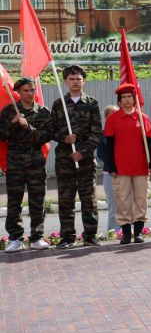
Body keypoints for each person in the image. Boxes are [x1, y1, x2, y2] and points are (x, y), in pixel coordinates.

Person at [51, 65, 102, 248]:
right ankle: (67, 237)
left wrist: (83, 152)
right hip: (65, 159)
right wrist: (65, 138)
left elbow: (97, 133)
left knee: (88, 199)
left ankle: (90, 235)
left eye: (78, 79)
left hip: (85, 160)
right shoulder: (59, 104)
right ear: (66, 81)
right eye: (71, 79)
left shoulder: (91, 103)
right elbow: (52, 131)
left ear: (84, 80)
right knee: (66, 199)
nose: (75, 82)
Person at [0, 78, 53, 252]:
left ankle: (37, 237)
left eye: (32, 90)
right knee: (14, 200)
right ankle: (15, 237)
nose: (30, 93)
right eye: (26, 90)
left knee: (37, 199)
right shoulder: (9, 111)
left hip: (35, 160)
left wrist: (27, 126)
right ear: (18, 92)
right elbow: (1, 136)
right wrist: (13, 122)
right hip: (15, 160)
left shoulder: (43, 112)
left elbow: (44, 137)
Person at [103, 84, 151, 245]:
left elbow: (148, 142)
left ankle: (138, 232)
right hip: (121, 167)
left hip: (140, 166)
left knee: (141, 199)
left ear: (134, 99)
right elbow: (109, 144)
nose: (126, 100)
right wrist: (111, 165)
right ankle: (126, 233)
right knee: (123, 199)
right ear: (119, 101)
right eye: (123, 97)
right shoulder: (113, 119)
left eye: (129, 96)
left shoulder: (142, 117)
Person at [97, 105, 119, 233]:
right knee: (113, 204)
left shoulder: (125, 132)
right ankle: (113, 231)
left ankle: (129, 229)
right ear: (106, 118)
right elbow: (100, 156)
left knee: (128, 203)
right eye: (112, 115)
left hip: (126, 172)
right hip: (110, 173)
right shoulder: (102, 135)